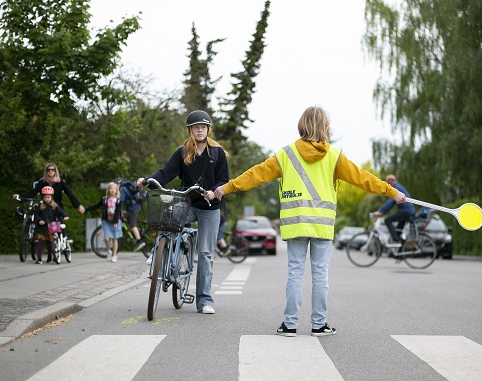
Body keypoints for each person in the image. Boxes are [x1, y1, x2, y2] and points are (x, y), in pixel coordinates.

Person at [214, 105, 406, 336]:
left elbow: (255, 174)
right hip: (322, 225)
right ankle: (319, 324)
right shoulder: (334, 156)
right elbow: (363, 178)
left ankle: (290, 324)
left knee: (295, 272)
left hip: (295, 224)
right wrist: (391, 192)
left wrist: (226, 188)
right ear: (325, 126)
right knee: (320, 274)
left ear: (301, 124)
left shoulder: (285, 154)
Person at [137, 110, 230, 314]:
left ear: (208, 129)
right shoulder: (182, 152)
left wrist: (215, 191)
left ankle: (205, 301)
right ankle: (158, 253)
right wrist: (147, 181)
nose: (200, 130)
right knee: (167, 216)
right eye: (196, 127)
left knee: (206, 253)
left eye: (203, 127)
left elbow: (224, 179)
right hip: (187, 202)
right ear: (190, 130)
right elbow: (165, 172)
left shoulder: (217, 152)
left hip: (209, 208)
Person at [14, 163, 86, 214]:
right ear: (46, 171)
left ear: (55, 171)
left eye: (52, 170)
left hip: (57, 206)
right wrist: (20, 196)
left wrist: (78, 206)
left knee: (58, 226)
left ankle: (60, 234)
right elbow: (33, 192)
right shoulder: (42, 182)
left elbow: (70, 194)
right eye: (48, 170)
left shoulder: (60, 182)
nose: (50, 171)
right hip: (45, 207)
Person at [85, 182, 123, 263]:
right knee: (106, 238)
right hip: (106, 220)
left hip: (115, 221)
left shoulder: (118, 200)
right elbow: (96, 206)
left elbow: (118, 211)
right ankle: (109, 251)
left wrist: (116, 221)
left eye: (114, 189)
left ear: (116, 190)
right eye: (111, 188)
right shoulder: (104, 199)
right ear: (108, 190)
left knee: (114, 238)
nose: (112, 190)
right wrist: (86, 209)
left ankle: (114, 255)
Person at [372, 175, 415, 245]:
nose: (387, 185)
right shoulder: (399, 187)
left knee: (387, 220)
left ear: (390, 181)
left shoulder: (396, 188)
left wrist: (380, 211)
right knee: (398, 232)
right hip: (407, 211)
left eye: (387, 183)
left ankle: (396, 240)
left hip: (406, 211)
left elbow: (390, 202)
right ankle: (398, 252)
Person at [34, 186, 69, 264]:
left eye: (48, 197)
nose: (47, 199)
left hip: (52, 225)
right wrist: (39, 220)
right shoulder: (40, 206)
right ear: (43, 198)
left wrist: (65, 216)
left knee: (50, 242)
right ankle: (39, 259)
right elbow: (36, 214)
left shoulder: (54, 205)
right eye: (45, 197)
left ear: (51, 197)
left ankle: (50, 257)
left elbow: (60, 211)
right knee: (40, 242)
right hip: (42, 227)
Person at [114, 177, 147, 252]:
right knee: (129, 222)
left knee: (132, 225)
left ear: (118, 184)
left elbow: (120, 201)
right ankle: (136, 234)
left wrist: (117, 209)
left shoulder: (122, 189)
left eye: (115, 185)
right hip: (134, 207)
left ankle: (139, 241)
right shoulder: (126, 187)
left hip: (133, 208)